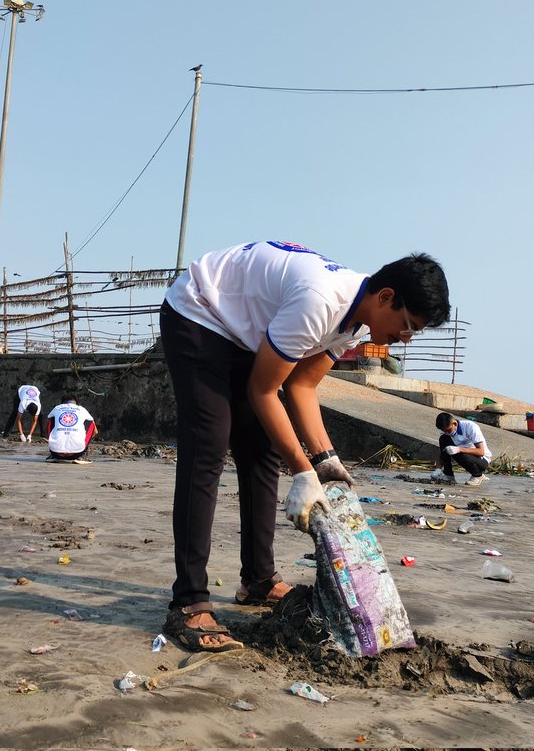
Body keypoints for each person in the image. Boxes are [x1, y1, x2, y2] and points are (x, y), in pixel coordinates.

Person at [159, 240, 450, 652]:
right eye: (408, 326)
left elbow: (301, 386)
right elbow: (264, 391)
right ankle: (188, 603)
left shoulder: (354, 324)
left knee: (261, 451)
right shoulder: (320, 302)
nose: (404, 340)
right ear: (386, 296)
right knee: (207, 449)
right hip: (199, 314)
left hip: (243, 333)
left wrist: (325, 461)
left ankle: (258, 581)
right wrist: (301, 470)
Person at [432, 412, 492, 486]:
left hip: (481, 459)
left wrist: (459, 449)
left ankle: (478, 475)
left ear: (455, 424)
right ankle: (449, 475)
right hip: (461, 452)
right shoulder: (445, 432)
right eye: (445, 431)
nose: (447, 433)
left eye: (449, 430)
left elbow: (481, 451)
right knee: (443, 439)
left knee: (461, 454)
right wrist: (438, 468)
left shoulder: (470, 427)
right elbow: (442, 451)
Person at [44, 394, 97, 462]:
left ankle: (52, 453)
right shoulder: (81, 409)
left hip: (56, 452)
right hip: (77, 453)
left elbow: (46, 430)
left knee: (51, 419)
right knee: (90, 422)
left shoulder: (57, 408)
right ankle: (82, 455)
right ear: (76, 403)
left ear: (62, 403)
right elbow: (95, 431)